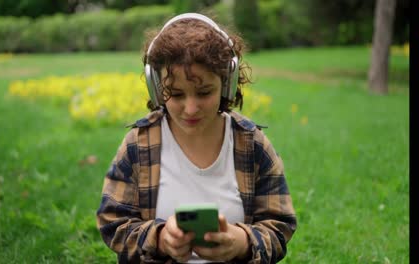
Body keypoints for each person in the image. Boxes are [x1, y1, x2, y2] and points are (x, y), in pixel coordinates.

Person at [96, 13, 297, 264]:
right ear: (156, 88)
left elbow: (280, 226)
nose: (190, 109)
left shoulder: (252, 144)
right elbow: (112, 222)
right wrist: (159, 239)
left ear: (227, 83)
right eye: (176, 94)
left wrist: (242, 242)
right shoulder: (138, 144)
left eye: (204, 92)